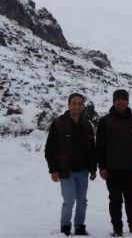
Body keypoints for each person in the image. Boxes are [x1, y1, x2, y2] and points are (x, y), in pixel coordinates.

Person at [45, 93, 97, 236]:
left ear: (83, 106)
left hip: (83, 170)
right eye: (74, 103)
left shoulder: (87, 125)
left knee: (82, 200)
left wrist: (93, 169)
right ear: (69, 105)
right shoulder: (58, 123)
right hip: (65, 170)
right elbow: (49, 149)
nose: (77, 106)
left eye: (80, 103)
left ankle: (79, 226)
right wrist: (53, 170)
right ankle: (65, 227)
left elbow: (91, 149)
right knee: (69, 200)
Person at [96, 89, 132, 236]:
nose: (121, 101)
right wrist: (102, 166)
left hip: (131, 167)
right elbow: (100, 146)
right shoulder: (105, 121)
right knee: (115, 201)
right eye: (118, 98)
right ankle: (117, 229)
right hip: (112, 168)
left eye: (123, 98)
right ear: (113, 101)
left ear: (127, 101)